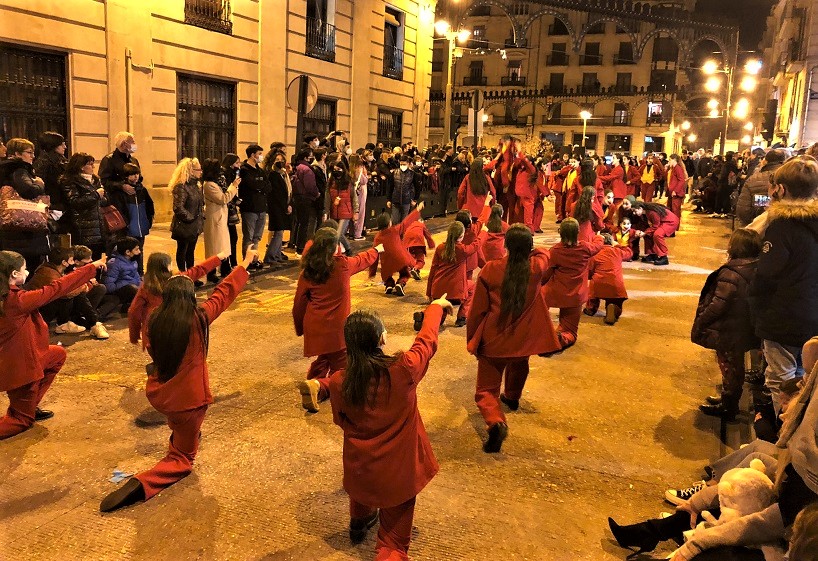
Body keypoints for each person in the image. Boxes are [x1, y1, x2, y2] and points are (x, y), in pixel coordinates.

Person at [99, 248, 257, 512]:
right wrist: (244, 264)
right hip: (189, 402)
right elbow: (224, 292)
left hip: (163, 396)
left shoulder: (156, 320)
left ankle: (181, 434)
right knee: (182, 457)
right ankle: (144, 482)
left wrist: (132, 336)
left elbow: (135, 314)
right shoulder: (198, 319)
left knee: (180, 425)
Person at [324, 297, 452, 559]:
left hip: (361, 465)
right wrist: (436, 307)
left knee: (363, 486)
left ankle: (359, 522)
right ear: (382, 338)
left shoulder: (339, 381)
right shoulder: (402, 369)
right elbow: (426, 342)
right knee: (393, 542)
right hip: (398, 470)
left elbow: (341, 421)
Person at [467, 225, 560, 453]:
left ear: (505, 245)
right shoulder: (536, 267)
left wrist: (473, 339)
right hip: (524, 338)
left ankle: (496, 421)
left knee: (486, 389)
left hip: (495, 337)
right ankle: (512, 397)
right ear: (529, 247)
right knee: (520, 365)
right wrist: (530, 248)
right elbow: (545, 254)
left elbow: (477, 310)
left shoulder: (491, 270)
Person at [0, 250, 106, 439]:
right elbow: (57, 287)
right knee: (20, 421)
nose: (27, 273)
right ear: (14, 275)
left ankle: (30, 407)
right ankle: (25, 412)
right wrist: (91, 268)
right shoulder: (16, 301)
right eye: (24, 270)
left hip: (19, 359)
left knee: (57, 355)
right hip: (20, 368)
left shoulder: (8, 298)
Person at [751, 156, 818, 416]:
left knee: (780, 379)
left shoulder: (782, 227)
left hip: (783, 316)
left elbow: (767, 272)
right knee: (804, 377)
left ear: (781, 189)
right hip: (811, 313)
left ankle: (783, 432)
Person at [294, 229, 384, 412]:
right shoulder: (342, 265)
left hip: (315, 326)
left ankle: (312, 386)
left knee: (323, 358)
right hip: (337, 330)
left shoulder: (307, 272)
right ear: (334, 247)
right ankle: (319, 386)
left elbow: (299, 304)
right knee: (344, 372)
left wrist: (300, 327)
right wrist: (376, 250)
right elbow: (362, 260)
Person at [692, 228, 761, 421]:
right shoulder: (755, 267)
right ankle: (727, 399)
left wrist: (702, 320)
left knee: (730, 366)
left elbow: (718, 304)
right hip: (742, 327)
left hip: (729, 329)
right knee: (733, 365)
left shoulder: (731, 274)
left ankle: (728, 406)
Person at [128, 252, 227, 349]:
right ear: (167, 267)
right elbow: (198, 270)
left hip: (153, 332)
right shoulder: (177, 280)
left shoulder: (146, 287)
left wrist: (134, 336)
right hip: (175, 328)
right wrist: (217, 258)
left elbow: (133, 311)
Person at [542, 218, 603, 352]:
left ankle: (540, 332)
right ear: (578, 232)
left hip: (555, 292)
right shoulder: (585, 248)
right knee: (570, 331)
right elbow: (598, 245)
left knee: (539, 307)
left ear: (560, 232)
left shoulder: (555, 251)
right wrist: (598, 236)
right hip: (576, 295)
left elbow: (546, 274)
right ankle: (561, 339)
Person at [27, 246, 109, 339]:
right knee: (75, 294)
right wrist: (84, 286)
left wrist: (85, 285)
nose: (73, 262)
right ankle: (91, 323)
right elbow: (65, 291)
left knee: (97, 289)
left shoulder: (54, 270)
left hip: (50, 306)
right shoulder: (49, 273)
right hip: (41, 312)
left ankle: (92, 322)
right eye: (71, 260)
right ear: (64, 262)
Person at [0, 138, 50, 272]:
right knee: (27, 269)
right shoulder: (19, 169)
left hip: (11, 228)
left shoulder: (5, 169)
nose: (33, 156)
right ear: (17, 154)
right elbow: (28, 190)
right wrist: (39, 184)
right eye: (29, 152)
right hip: (25, 232)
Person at [104, 162, 153, 275]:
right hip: (128, 228)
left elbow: (149, 206)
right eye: (132, 174)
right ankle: (128, 273)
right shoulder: (120, 192)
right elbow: (119, 210)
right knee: (127, 252)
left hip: (141, 227)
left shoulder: (142, 190)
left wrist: (148, 221)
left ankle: (139, 273)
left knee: (139, 250)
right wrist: (126, 224)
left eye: (137, 174)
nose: (135, 177)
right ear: (126, 176)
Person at [369, 202, 425, 296]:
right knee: (405, 273)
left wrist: (372, 272)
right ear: (389, 223)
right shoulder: (394, 230)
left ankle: (389, 285)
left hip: (386, 263)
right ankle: (400, 283)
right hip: (401, 259)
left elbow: (374, 255)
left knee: (386, 275)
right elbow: (406, 222)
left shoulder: (377, 238)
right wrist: (417, 210)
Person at [60, 152, 108, 259]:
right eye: (90, 164)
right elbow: (75, 202)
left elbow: (104, 201)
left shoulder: (95, 180)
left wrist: (102, 197)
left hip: (98, 227)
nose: (93, 167)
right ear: (82, 167)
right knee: (84, 261)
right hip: (83, 227)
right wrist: (96, 195)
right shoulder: (70, 181)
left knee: (97, 261)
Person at [202, 159, 239, 284]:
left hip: (220, 218)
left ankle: (224, 268)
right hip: (214, 219)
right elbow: (223, 199)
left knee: (222, 245)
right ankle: (211, 272)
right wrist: (233, 186)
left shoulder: (214, 183)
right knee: (214, 247)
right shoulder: (209, 185)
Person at [169, 158, 205, 278]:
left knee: (191, 252)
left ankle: (191, 276)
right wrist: (191, 218)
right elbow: (178, 207)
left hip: (195, 226)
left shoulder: (196, 185)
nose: (201, 171)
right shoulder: (181, 186)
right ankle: (182, 275)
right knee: (183, 251)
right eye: (198, 169)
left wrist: (200, 218)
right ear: (190, 170)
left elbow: (200, 204)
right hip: (184, 225)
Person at [583, 233, 629, 325]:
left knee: (593, 290)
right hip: (615, 284)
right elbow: (629, 253)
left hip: (598, 282)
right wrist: (618, 245)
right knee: (615, 299)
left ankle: (591, 309)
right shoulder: (617, 251)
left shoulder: (594, 254)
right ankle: (613, 307)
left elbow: (589, 270)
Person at [735, 149, 786, 228]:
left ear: (766, 160)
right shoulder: (792, 179)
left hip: (756, 229)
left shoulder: (753, 179)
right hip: (783, 229)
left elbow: (743, 211)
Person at [238, 144, 270, 268]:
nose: (261, 156)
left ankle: (255, 259)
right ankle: (247, 260)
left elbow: (268, 186)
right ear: (252, 155)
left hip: (261, 208)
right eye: (259, 154)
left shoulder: (260, 170)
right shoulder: (244, 169)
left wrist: (259, 186)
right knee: (249, 237)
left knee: (257, 237)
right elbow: (251, 184)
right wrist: (259, 186)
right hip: (249, 208)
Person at [32, 131, 68, 232]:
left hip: (59, 206)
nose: (65, 146)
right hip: (54, 208)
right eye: (62, 144)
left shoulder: (59, 160)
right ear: (54, 145)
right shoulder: (46, 163)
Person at [263, 151, 292, 265]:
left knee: (281, 232)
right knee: (278, 232)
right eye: (277, 160)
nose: (280, 162)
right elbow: (276, 194)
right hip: (276, 208)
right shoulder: (273, 175)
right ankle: (270, 256)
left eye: (281, 160)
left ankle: (277, 254)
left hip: (283, 207)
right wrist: (285, 206)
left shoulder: (283, 174)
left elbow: (287, 191)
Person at [325, 160, 359, 251]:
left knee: (338, 234)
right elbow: (327, 197)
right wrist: (326, 211)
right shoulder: (331, 181)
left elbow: (354, 197)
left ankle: (347, 249)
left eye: (339, 169)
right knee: (336, 233)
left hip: (346, 211)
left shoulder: (348, 181)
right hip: (334, 211)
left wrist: (356, 211)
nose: (336, 171)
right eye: (335, 169)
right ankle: (343, 250)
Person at [291, 148, 319, 256]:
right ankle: (301, 248)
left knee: (299, 222)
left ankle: (296, 244)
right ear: (306, 157)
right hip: (305, 198)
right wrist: (316, 194)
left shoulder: (297, 167)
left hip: (297, 198)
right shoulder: (307, 169)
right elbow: (310, 186)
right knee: (304, 224)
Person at [632, 201, 679, 266]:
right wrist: (645, 232)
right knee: (648, 234)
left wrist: (645, 232)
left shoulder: (651, 212)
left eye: (635, 211)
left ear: (640, 208)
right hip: (664, 222)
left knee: (657, 234)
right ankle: (652, 254)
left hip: (670, 222)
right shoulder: (645, 213)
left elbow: (655, 226)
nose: (634, 213)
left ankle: (664, 257)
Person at [103, 237, 142, 310]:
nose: (139, 252)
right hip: (118, 292)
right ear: (127, 252)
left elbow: (136, 277)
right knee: (132, 289)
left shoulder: (133, 261)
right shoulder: (114, 264)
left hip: (131, 288)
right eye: (136, 249)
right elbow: (108, 286)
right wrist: (127, 283)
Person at [99, 131, 141, 196]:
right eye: (132, 142)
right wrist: (122, 186)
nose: (134, 144)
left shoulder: (134, 160)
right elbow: (104, 181)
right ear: (124, 144)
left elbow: (140, 179)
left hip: (132, 199)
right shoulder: (109, 159)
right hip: (116, 199)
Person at [220, 154, 242, 271]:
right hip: (225, 211)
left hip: (231, 210)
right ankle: (226, 265)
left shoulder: (233, 174)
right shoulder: (224, 175)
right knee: (228, 238)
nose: (238, 166)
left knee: (233, 237)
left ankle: (233, 262)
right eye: (237, 163)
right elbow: (225, 194)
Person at [402, 215, 436, 279]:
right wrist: (432, 245)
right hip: (418, 242)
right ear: (421, 221)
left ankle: (412, 269)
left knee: (411, 259)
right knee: (421, 261)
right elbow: (427, 235)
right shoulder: (421, 225)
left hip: (407, 244)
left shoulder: (409, 226)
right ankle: (415, 269)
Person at [388, 155, 416, 224]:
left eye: (404, 164)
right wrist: (389, 199)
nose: (402, 166)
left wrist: (414, 199)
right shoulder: (394, 173)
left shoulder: (413, 174)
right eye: (401, 164)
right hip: (395, 200)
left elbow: (415, 188)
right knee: (395, 220)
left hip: (407, 200)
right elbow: (390, 186)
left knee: (404, 221)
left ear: (408, 164)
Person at [350, 153, 369, 241]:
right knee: (360, 212)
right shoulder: (359, 170)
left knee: (351, 211)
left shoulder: (349, 169)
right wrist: (365, 174)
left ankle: (350, 232)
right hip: (360, 192)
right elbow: (364, 180)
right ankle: (357, 234)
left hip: (351, 192)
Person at [667, 154, 687, 230]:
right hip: (672, 192)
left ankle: (675, 226)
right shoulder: (673, 168)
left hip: (676, 193)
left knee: (675, 210)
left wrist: (676, 190)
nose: (669, 161)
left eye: (670, 160)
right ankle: (673, 225)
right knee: (672, 209)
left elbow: (681, 180)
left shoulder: (677, 168)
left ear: (674, 160)